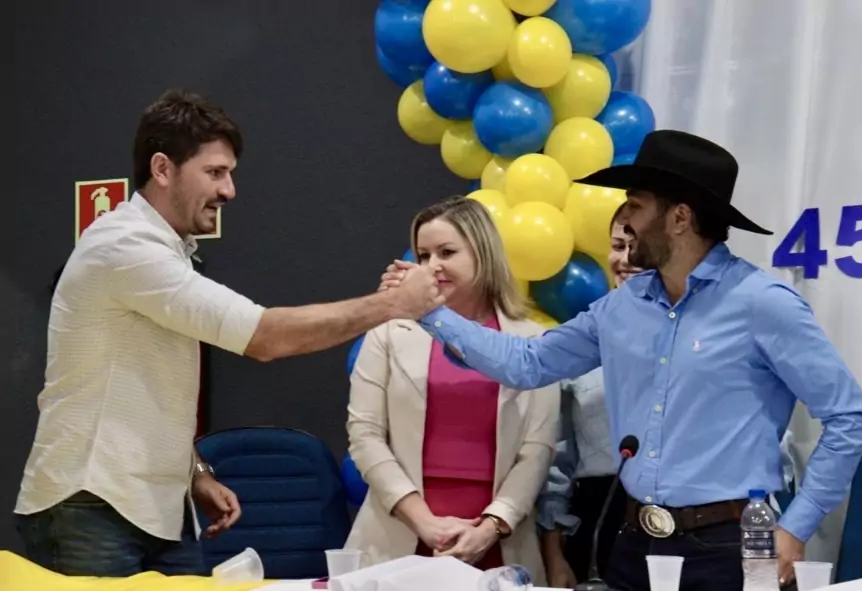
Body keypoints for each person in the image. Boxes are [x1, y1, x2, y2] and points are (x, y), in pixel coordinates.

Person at [396, 130, 862, 591]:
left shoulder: (763, 303)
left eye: (636, 204)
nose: (623, 218)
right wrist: (431, 312)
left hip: (731, 545)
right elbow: (529, 362)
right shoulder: (622, 305)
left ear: (680, 218)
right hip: (633, 540)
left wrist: (796, 525)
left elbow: (849, 416)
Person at [13, 89, 443, 578]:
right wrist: (392, 305)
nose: (230, 190)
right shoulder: (126, 247)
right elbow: (266, 338)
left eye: (230, 173)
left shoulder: (165, 250)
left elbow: (143, 386)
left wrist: (194, 470)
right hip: (89, 509)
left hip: (156, 510)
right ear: (162, 169)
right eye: (215, 172)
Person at [344, 197, 560, 583]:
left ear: (483, 253)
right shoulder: (388, 332)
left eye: (446, 252)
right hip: (399, 538)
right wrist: (425, 523)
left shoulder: (532, 341)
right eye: (423, 255)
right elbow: (365, 435)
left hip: (499, 542)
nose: (432, 266)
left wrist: (491, 527)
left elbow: (537, 451)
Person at [537, 206, 641, 588]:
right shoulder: (581, 338)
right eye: (618, 245)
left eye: (637, 246)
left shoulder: (702, 335)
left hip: (686, 520)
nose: (625, 258)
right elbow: (558, 461)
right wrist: (553, 553)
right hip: (599, 517)